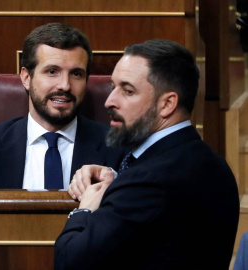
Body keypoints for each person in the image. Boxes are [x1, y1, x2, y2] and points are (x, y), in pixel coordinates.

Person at [54, 39, 240, 269]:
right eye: (113, 87)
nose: (110, 101)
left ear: (167, 104)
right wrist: (115, 178)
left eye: (128, 91)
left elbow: (69, 260)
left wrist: (84, 209)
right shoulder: (212, 163)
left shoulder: (150, 180)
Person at [0, 22, 125, 189]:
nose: (65, 85)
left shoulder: (118, 149)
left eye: (76, 74)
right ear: (26, 78)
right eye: (52, 72)